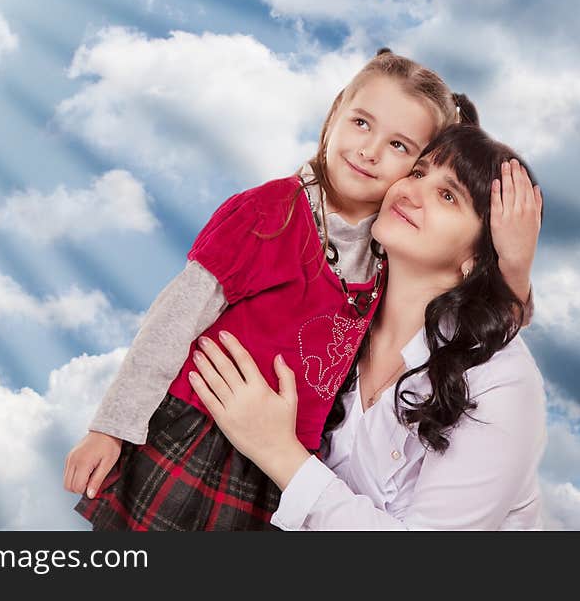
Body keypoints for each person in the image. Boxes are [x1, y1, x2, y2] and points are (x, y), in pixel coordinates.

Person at [63, 49, 535, 530]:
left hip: (284, 472)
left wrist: (512, 265)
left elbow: (481, 316)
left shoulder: (388, 255)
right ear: (334, 116)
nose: (371, 151)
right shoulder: (269, 214)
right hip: (202, 439)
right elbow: (172, 319)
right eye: (361, 123)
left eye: (400, 148)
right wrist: (111, 428)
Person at [189, 125, 546, 530]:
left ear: (479, 260)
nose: (411, 191)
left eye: (448, 196)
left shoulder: (501, 383)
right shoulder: (338, 315)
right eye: (417, 173)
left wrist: (279, 452)